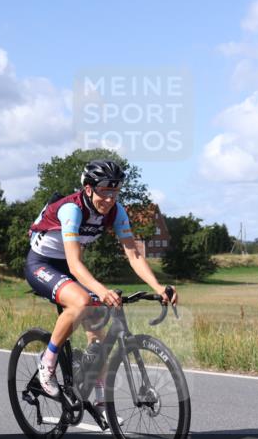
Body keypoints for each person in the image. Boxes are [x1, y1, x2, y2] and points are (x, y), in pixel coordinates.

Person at [25, 159, 178, 402]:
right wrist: (101, 290)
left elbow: (134, 254)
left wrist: (158, 287)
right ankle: (47, 364)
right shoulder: (72, 210)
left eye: (115, 192)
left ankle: (98, 395)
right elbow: (75, 264)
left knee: (98, 325)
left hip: (69, 266)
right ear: (88, 188)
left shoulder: (117, 211)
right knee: (82, 301)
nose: (109, 199)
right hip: (42, 264)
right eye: (105, 191)